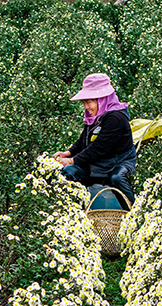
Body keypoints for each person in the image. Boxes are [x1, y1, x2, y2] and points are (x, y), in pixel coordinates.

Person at [53, 73, 137, 206]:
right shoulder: (95, 115)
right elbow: (84, 139)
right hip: (97, 163)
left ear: (101, 100)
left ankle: (133, 213)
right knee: (69, 172)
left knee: (117, 178)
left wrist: (71, 160)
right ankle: (74, 213)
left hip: (119, 162)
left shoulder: (116, 118)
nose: (86, 107)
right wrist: (68, 153)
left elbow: (99, 148)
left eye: (89, 102)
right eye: (84, 102)